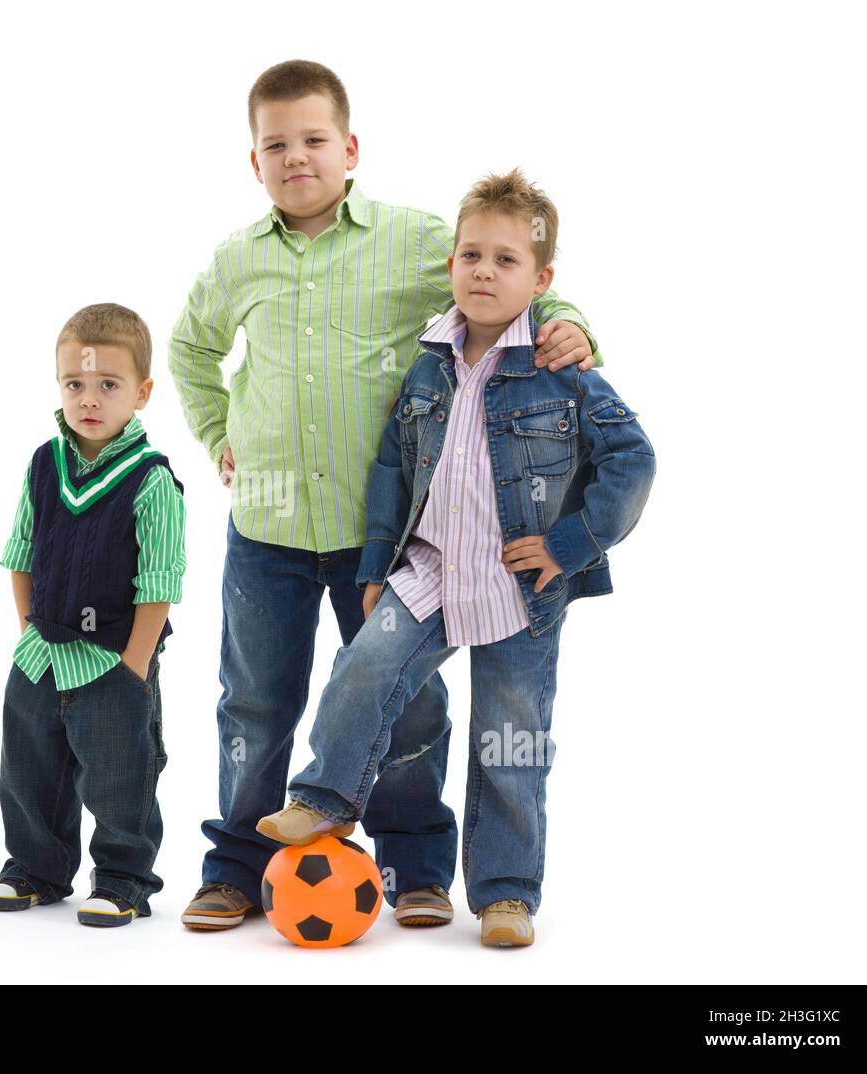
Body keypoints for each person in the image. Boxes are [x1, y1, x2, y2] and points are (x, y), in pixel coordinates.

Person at [169, 59, 602, 931]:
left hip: (394, 534)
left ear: (350, 147)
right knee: (254, 699)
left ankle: (416, 863)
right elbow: (188, 351)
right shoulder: (237, 261)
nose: (298, 157)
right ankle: (234, 866)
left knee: (405, 698)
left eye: (315, 140)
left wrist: (577, 329)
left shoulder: (413, 241)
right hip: (271, 528)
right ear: (254, 162)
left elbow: (512, 285)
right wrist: (221, 438)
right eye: (276, 144)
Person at [258, 168, 656, 946]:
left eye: (506, 261)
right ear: (450, 266)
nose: (483, 271)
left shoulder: (558, 368)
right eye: (471, 254)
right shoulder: (429, 363)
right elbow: (391, 468)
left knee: (512, 738)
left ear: (540, 279)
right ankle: (327, 795)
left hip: (520, 586)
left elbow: (632, 459)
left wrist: (571, 545)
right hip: (431, 569)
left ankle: (506, 893)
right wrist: (377, 566)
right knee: (364, 667)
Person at [0, 303, 186, 927]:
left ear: (141, 393)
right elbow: (22, 553)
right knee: (28, 768)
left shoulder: (150, 480)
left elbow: (160, 582)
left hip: (112, 660)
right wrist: (27, 633)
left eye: (108, 385)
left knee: (122, 775)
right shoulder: (45, 463)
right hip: (42, 654)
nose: (89, 399)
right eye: (75, 383)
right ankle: (35, 868)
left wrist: (134, 666)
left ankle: (124, 879)